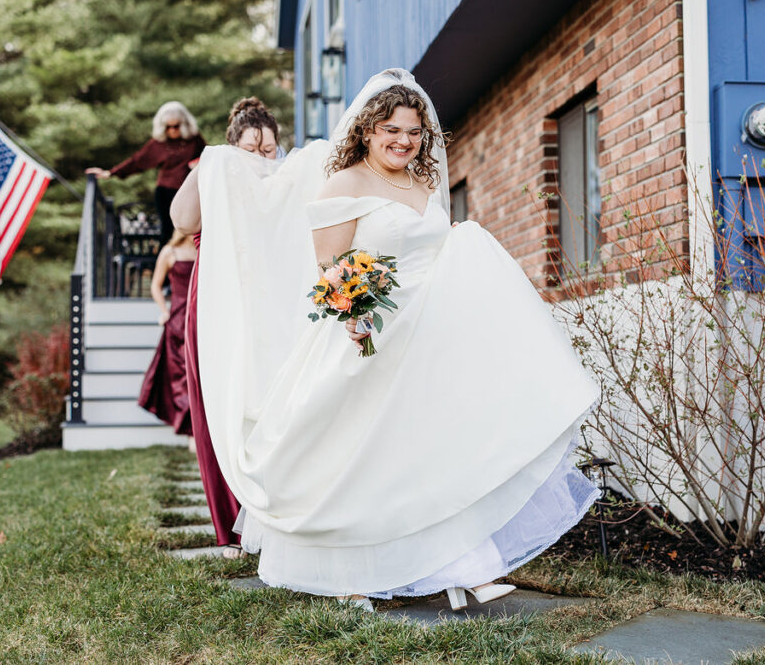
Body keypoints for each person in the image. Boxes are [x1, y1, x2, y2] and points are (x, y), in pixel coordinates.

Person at [188, 69, 599, 612]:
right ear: (366, 131)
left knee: (428, 455)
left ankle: (464, 568)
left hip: (426, 337)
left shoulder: (425, 185)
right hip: (365, 337)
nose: (403, 141)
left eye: (413, 131)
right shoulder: (344, 185)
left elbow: (439, 253)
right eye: (391, 130)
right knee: (357, 459)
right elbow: (330, 267)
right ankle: (352, 573)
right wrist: (355, 315)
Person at [171, 97, 288, 559]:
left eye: (269, 149)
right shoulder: (214, 168)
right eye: (249, 150)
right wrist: (207, 167)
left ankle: (274, 515)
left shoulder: (284, 177)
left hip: (269, 304)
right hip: (217, 301)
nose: (260, 159)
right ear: (230, 146)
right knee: (217, 410)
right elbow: (182, 221)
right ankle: (229, 529)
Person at [86, 101, 205, 245]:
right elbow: (137, 161)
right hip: (166, 192)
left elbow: (208, 158)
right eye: (168, 127)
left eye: (176, 126)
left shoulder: (195, 140)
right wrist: (111, 173)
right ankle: (165, 264)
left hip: (188, 190)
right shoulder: (158, 144)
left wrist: (198, 163)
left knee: (192, 228)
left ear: (184, 124)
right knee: (167, 231)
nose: (172, 130)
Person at [137, 231, 197, 446]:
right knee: (182, 376)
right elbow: (156, 285)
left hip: (201, 318)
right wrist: (164, 311)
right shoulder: (170, 252)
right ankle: (190, 431)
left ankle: (200, 431)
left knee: (199, 374)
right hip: (178, 320)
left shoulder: (204, 249)